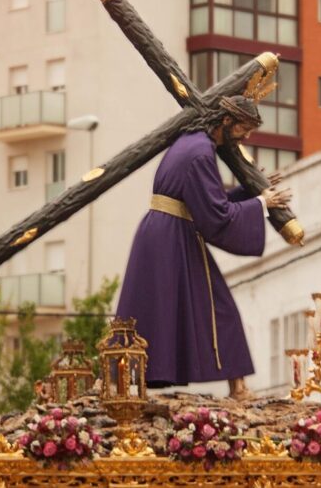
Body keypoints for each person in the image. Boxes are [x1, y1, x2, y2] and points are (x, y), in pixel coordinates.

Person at [115, 95, 292, 398]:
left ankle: (120, 379)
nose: (245, 137)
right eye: (243, 129)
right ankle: (238, 387)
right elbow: (216, 217)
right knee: (218, 307)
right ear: (226, 122)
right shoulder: (201, 153)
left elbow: (206, 201)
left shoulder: (191, 143)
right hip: (172, 236)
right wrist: (262, 203)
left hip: (166, 233)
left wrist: (250, 191)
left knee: (154, 308)